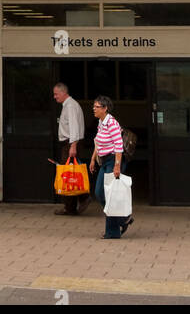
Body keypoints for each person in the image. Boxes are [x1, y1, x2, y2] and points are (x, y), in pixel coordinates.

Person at [89, 94, 133, 239]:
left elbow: (118, 146)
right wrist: (93, 160)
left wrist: (117, 166)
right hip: (104, 160)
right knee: (100, 193)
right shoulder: (101, 122)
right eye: (93, 106)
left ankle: (113, 231)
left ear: (105, 108)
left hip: (113, 160)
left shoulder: (112, 123)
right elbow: (98, 141)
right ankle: (123, 219)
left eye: (97, 107)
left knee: (110, 195)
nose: (93, 109)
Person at [53, 82, 90, 215]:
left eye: (56, 94)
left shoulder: (70, 106)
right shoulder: (68, 105)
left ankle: (83, 198)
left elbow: (74, 126)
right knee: (70, 174)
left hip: (70, 144)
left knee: (68, 174)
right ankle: (70, 207)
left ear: (64, 93)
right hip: (69, 143)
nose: (55, 97)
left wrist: (73, 145)